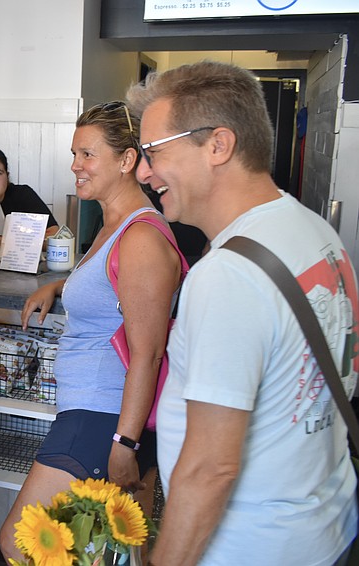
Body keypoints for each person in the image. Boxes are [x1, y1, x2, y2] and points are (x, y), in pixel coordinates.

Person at [126, 61, 358, 566]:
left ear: (218, 145)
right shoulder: (314, 230)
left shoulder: (229, 275)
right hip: (326, 527)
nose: (143, 172)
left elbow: (210, 469)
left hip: (252, 547)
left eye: (154, 151)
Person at [0, 102, 183, 561]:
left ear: (126, 160)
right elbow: (112, 287)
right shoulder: (112, 224)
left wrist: (124, 444)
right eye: (74, 154)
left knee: (20, 543)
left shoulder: (141, 238)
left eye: (88, 155)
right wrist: (58, 286)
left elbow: (148, 353)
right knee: (104, 552)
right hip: (94, 409)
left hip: (105, 415)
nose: (75, 166)